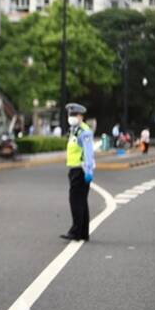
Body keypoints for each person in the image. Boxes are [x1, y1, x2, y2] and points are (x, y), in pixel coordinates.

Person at [60, 103, 95, 242]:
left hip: (80, 170)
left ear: (81, 116)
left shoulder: (84, 131)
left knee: (75, 201)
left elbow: (88, 152)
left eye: (74, 115)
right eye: (70, 115)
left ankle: (75, 232)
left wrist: (88, 170)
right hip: (75, 169)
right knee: (81, 201)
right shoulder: (75, 130)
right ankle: (83, 233)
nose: (71, 117)